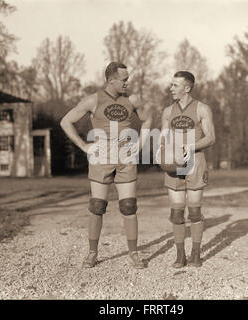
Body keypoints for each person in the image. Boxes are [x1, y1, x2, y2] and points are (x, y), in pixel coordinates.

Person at [60, 62, 152, 269]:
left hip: (125, 157)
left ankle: (134, 253)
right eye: (124, 80)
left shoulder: (132, 100)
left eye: (128, 79)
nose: (128, 83)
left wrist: (139, 144)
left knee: (129, 206)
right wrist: (84, 146)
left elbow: (148, 120)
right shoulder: (93, 100)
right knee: (97, 206)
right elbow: (65, 121)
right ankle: (92, 253)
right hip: (101, 156)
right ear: (112, 80)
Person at [158, 71, 215, 268]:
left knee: (195, 212)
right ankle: (180, 254)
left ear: (187, 88)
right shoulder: (167, 111)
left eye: (175, 85)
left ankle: (196, 253)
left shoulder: (202, 109)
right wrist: (161, 151)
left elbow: (211, 137)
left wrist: (188, 148)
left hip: (195, 162)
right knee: (176, 213)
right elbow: (163, 138)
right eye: (171, 84)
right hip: (174, 165)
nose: (171, 88)